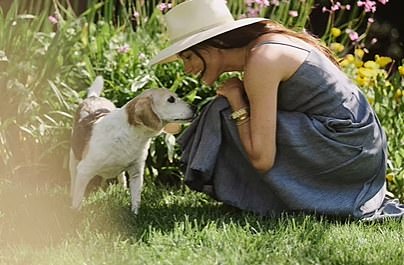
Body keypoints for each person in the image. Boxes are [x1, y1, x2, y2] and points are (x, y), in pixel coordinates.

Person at [149, 0, 404, 220]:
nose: (186, 69)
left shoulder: (263, 59)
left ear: (212, 46)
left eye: (188, 57)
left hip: (347, 151)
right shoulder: (265, 46)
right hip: (360, 149)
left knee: (224, 112)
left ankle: (264, 198)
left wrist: (237, 99)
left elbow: (262, 159)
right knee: (225, 109)